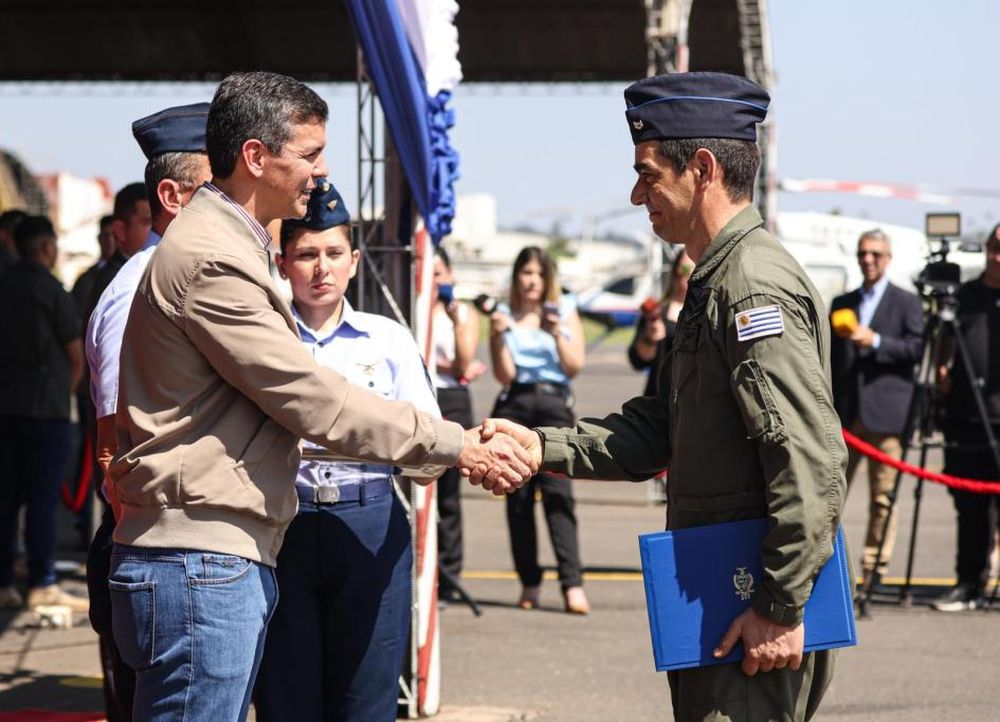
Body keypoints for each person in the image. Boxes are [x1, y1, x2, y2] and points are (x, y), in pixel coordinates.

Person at [107, 70, 532, 722]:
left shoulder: (226, 245)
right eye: (309, 154)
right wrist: (457, 444)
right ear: (255, 156)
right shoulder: (214, 259)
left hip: (211, 556)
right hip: (199, 561)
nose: (321, 171)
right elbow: (314, 401)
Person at [478, 72, 847, 722]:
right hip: (722, 592)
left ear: (702, 169)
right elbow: (660, 429)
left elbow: (811, 462)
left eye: (648, 175)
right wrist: (539, 446)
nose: (636, 194)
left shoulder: (751, 288)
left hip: (750, 607)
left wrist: (779, 605)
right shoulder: (716, 282)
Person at [254, 181, 434, 721]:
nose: (321, 269)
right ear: (282, 264)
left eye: (334, 253)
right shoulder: (265, 338)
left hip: (368, 520)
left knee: (367, 697)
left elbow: (427, 441)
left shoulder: (387, 340)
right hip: (282, 523)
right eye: (306, 255)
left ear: (355, 262)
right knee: (286, 695)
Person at [85, 101, 213, 722]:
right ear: (173, 196)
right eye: (216, 190)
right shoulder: (140, 288)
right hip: (163, 556)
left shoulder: (192, 277)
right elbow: (113, 443)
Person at [488, 246, 590, 614]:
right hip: (515, 401)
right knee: (516, 497)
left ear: (548, 279)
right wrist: (497, 338)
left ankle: (572, 583)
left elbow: (574, 365)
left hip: (553, 402)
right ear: (517, 277)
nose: (532, 281)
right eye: (526, 273)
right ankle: (529, 581)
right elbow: (505, 374)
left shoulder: (564, 308)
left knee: (558, 494)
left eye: (539, 274)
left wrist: (557, 332)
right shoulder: (503, 314)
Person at [0, 215, 87, 612]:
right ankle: (42, 581)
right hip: (47, 412)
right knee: (42, 501)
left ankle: (4, 581)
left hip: (6, 409)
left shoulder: (5, 286)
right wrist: (63, 393)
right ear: (48, 248)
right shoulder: (53, 291)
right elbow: (75, 356)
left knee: (5, 501)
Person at [829, 229, 923, 589]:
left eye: (875, 254)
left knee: (884, 499)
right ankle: (828, 565)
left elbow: (916, 349)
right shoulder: (843, 302)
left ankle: (874, 569)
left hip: (887, 418)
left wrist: (877, 341)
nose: (868, 260)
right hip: (846, 417)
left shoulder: (906, 302)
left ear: (888, 258)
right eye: (863, 253)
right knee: (829, 495)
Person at [932, 225, 1000, 612]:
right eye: (993, 247)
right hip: (966, 418)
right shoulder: (964, 298)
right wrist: (941, 369)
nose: (997, 256)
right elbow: (943, 346)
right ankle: (968, 583)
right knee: (969, 510)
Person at [431, 245, 480, 599]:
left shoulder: (462, 312)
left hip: (452, 398)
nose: (434, 281)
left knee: (449, 495)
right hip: (424, 394)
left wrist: (454, 320)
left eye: (439, 274)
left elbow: (463, 363)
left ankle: (449, 574)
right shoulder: (414, 306)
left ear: (450, 275)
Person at [627, 248, 693, 396]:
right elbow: (638, 360)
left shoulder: (710, 310)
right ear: (676, 272)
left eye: (696, 269)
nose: (690, 275)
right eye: (685, 269)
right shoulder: (657, 312)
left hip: (696, 399)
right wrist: (650, 339)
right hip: (660, 397)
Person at [83, 183, 150, 324]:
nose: (157, 231)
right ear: (120, 230)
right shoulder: (115, 282)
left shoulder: (138, 272)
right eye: (147, 223)